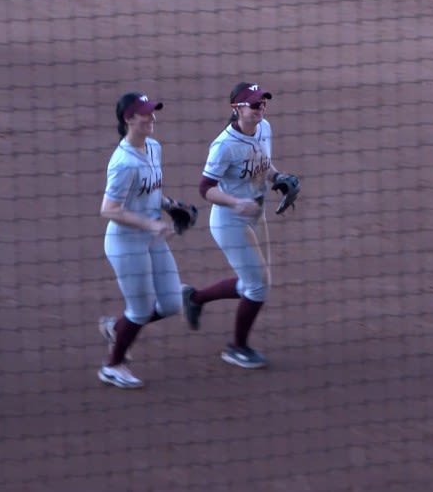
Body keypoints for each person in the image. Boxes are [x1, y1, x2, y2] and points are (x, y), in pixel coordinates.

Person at [181, 81, 299, 369]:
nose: (261, 108)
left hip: (256, 215)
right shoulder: (224, 146)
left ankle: (195, 298)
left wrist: (278, 178)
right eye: (255, 104)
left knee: (255, 281)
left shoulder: (265, 128)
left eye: (263, 103)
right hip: (230, 220)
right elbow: (205, 188)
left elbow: (263, 162)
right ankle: (237, 348)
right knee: (258, 287)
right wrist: (235, 203)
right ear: (236, 108)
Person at [96, 91, 195, 388]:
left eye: (153, 111)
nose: (152, 117)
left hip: (151, 239)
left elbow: (150, 192)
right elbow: (108, 210)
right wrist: (149, 225)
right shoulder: (123, 162)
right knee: (139, 309)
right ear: (129, 119)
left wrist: (171, 205)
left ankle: (117, 327)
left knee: (171, 303)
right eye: (145, 113)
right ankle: (113, 365)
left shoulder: (153, 147)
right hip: (126, 244)